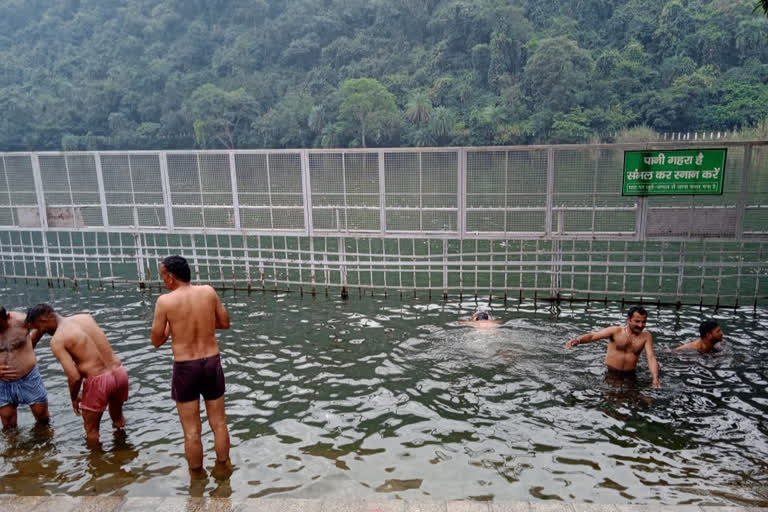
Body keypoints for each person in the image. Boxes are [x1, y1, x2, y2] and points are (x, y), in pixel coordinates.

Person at [150, 255, 231, 478]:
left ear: (171, 277)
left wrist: (173, 327)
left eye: (163, 276)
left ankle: (196, 479)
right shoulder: (208, 292)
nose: (163, 280)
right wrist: (203, 321)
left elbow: (156, 340)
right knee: (219, 423)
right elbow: (224, 323)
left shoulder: (165, 302)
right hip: (211, 362)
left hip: (186, 366)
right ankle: (223, 470)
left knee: (192, 431)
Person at [25, 304, 128, 442]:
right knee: (118, 419)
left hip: (99, 380)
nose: (42, 332)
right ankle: (122, 450)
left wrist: (74, 398)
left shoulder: (58, 340)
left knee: (91, 432)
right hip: (119, 373)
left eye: (39, 327)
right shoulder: (85, 317)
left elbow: (74, 376)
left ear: (44, 319)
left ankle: (96, 462)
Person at [565, 306, 661, 388]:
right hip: (610, 372)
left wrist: (655, 379)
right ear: (628, 320)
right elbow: (593, 336)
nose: (641, 325)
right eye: (637, 321)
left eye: (643, 322)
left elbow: (651, 357)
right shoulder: (616, 331)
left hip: (630, 375)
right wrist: (578, 340)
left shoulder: (646, 336)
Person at [0, 307, 50, 428]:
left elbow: (43, 325)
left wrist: (32, 343)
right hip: (2, 382)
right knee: (8, 422)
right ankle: (14, 447)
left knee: (42, 416)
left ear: (7, 317)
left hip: (28, 376)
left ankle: (45, 444)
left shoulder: (21, 320)